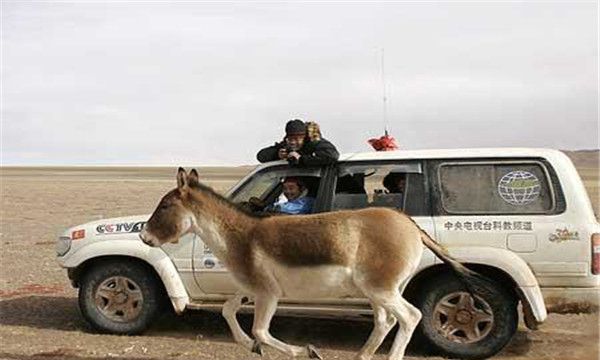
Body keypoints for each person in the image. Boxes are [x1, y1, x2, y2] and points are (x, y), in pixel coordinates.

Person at [256, 119, 339, 166]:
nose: (293, 142)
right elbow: (261, 156)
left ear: (304, 137)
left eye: (296, 139)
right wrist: (277, 154)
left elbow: (332, 156)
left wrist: (301, 159)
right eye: (290, 138)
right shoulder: (286, 145)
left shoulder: (315, 143)